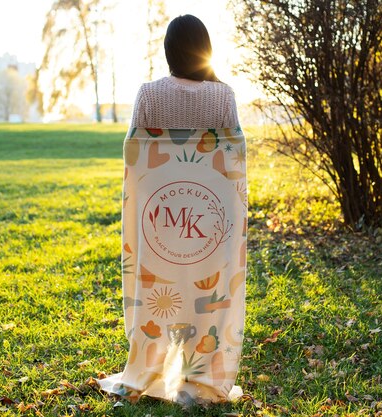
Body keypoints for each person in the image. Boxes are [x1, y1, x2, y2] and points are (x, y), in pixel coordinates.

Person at [97, 14, 246, 406]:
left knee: (159, 293)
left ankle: (150, 364)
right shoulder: (223, 96)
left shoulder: (148, 95)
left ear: (168, 51)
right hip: (208, 220)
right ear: (205, 50)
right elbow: (233, 158)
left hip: (160, 221)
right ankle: (202, 374)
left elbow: (135, 156)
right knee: (207, 293)